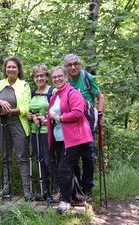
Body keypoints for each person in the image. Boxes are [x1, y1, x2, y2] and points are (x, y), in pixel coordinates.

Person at [47, 66, 93, 213]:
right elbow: (53, 115)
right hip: (61, 138)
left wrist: (60, 117)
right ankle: (77, 197)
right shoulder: (55, 95)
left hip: (75, 138)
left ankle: (65, 201)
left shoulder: (73, 93)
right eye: (54, 77)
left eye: (60, 76)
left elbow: (78, 113)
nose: (57, 79)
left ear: (66, 77)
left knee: (63, 169)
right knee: (71, 169)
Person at [0, 57, 31, 201]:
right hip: (1, 124)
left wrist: (12, 111)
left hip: (18, 124)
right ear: (5, 69)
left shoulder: (24, 85)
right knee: (5, 158)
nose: (11, 69)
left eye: (14, 67)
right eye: (8, 67)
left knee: (22, 157)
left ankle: (27, 191)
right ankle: (5, 189)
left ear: (18, 70)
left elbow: (26, 107)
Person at [64, 53, 105, 201]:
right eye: (69, 65)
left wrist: (100, 113)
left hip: (87, 126)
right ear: (66, 68)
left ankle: (87, 190)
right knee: (72, 159)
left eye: (76, 64)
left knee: (88, 159)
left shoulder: (87, 78)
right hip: (70, 127)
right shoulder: (64, 81)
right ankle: (78, 188)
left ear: (80, 64)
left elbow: (100, 96)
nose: (73, 67)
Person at [27, 64, 56, 199]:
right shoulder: (32, 92)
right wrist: (31, 115)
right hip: (35, 130)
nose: (39, 78)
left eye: (42, 75)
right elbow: (29, 110)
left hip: (49, 131)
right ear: (33, 78)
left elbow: (59, 110)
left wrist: (47, 119)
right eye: (37, 76)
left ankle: (56, 190)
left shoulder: (53, 91)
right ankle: (44, 191)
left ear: (47, 77)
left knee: (49, 161)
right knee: (39, 160)